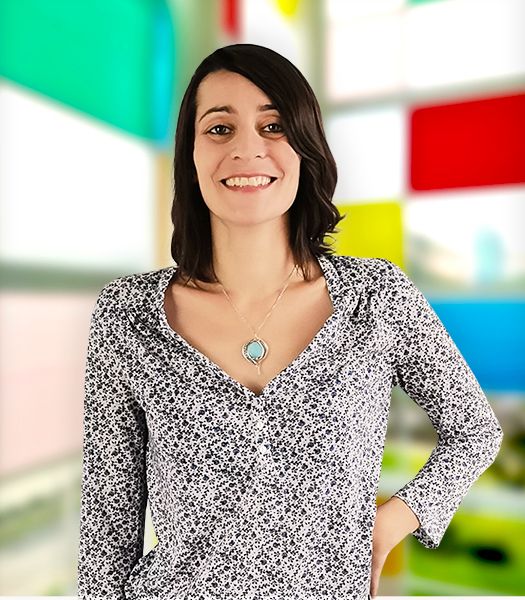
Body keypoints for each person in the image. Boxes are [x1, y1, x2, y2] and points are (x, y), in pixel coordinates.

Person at [77, 44, 504, 600]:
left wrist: (390, 523)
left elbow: (475, 431)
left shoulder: (376, 298)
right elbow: (106, 534)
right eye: (220, 129)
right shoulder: (127, 313)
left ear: (305, 146)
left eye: (273, 126)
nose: (247, 149)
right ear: (190, 155)